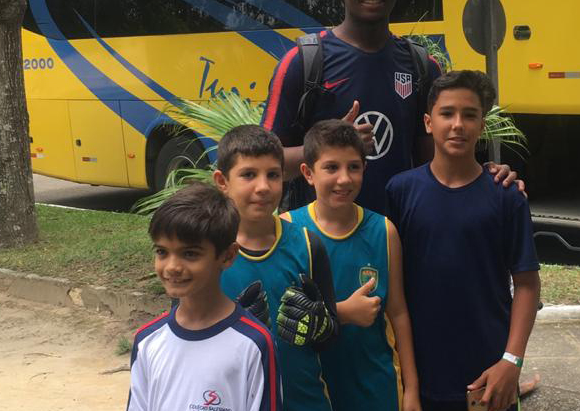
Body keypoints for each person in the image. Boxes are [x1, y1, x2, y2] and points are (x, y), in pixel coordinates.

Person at [261, 0, 519, 215]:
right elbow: (264, 163)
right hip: (318, 237)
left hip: (401, 232)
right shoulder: (303, 62)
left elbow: (437, 162)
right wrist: (329, 146)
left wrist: (488, 176)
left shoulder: (423, 67)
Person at [386, 71, 541, 411]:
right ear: (428, 122)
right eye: (447, 113)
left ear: (482, 125)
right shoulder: (400, 191)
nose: (458, 124)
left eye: (469, 115)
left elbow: (527, 284)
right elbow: (393, 290)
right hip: (419, 375)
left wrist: (511, 361)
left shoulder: (506, 197)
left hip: (488, 374)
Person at [282, 119, 420, 411]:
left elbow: (398, 313)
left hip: (376, 387)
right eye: (331, 168)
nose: (344, 179)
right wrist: (342, 312)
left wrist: (411, 391)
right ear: (308, 173)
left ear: (364, 169)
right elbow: (284, 317)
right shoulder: (288, 229)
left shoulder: (384, 231)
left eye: (353, 167)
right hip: (314, 389)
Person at [214, 125, 340, 411]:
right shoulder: (206, 253)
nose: (263, 186)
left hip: (305, 402)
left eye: (273, 175)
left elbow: (331, 335)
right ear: (222, 181)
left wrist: (318, 324)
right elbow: (186, 336)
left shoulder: (308, 245)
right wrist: (233, 330)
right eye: (249, 174)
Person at [127, 183, 282, 411]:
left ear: (228, 256)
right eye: (162, 252)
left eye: (190, 253)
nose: (172, 267)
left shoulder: (254, 343)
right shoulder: (147, 341)